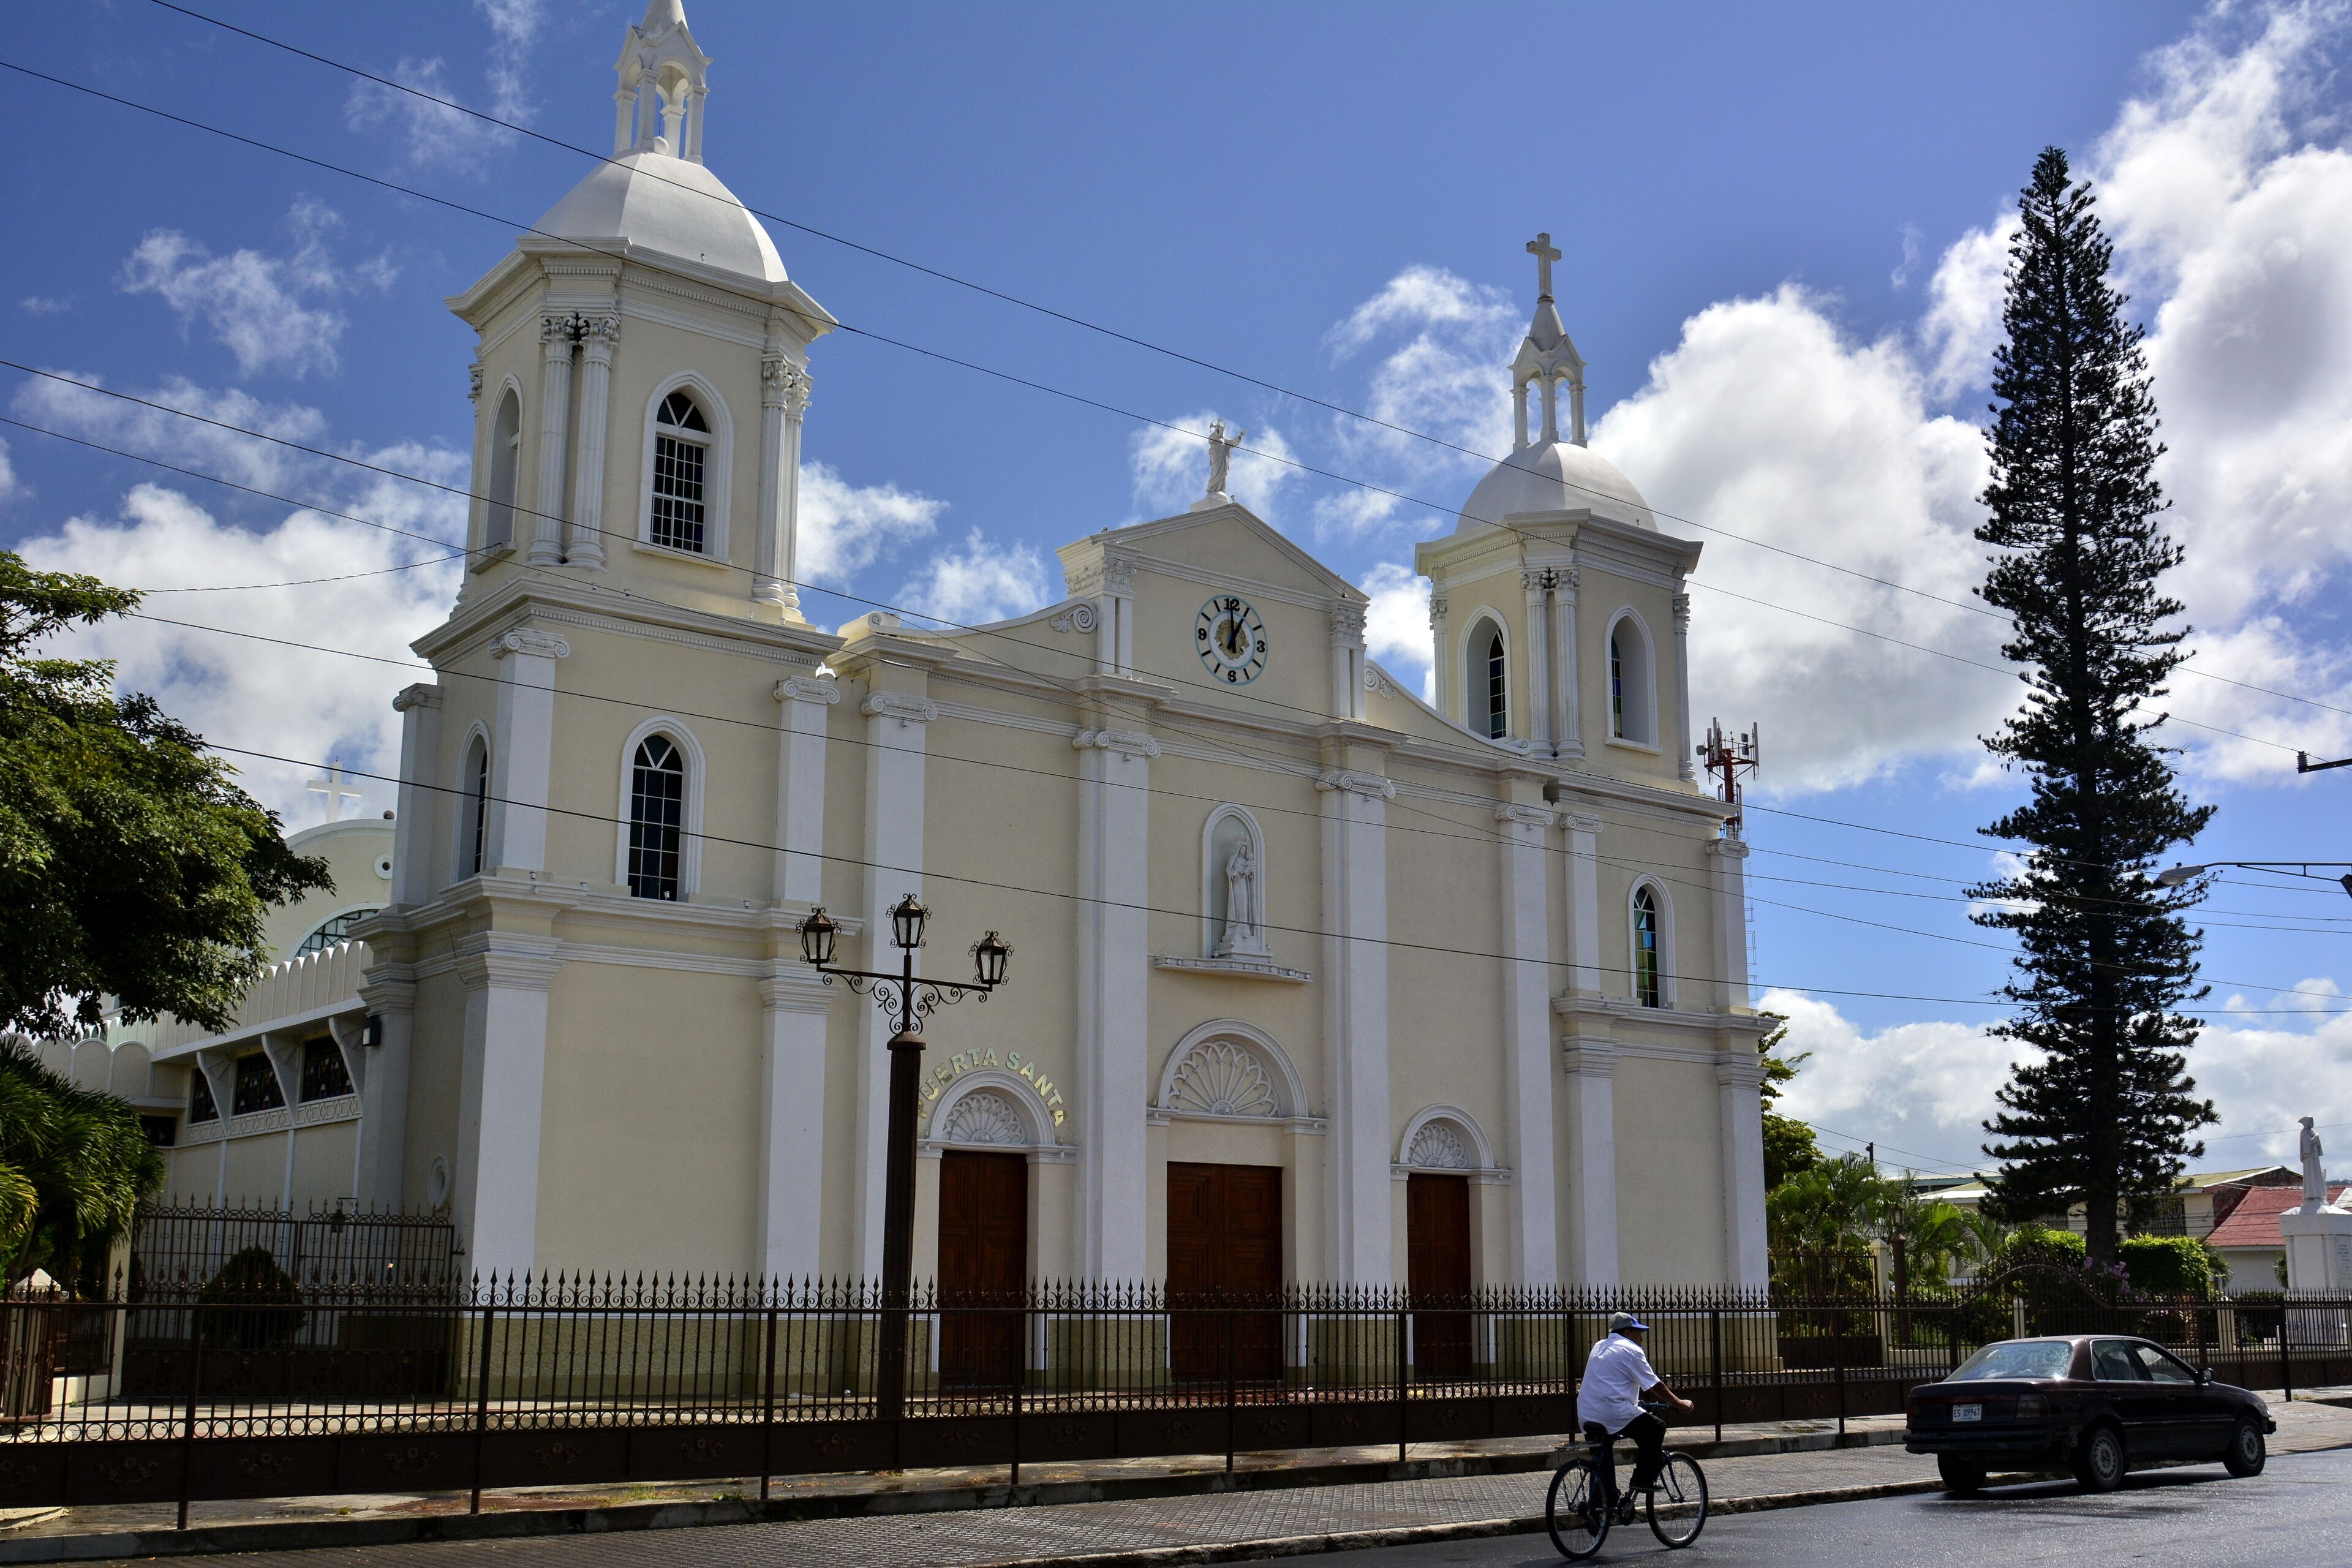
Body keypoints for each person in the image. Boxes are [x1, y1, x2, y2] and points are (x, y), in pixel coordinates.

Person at [1575, 1311, 1694, 1520]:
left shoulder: (1599, 1346)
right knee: (1656, 1427)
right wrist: (1678, 1403)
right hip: (1612, 1413)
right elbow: (1655, 1385)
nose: (1641, 1338)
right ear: (1628, 1332)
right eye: (1639, 1332)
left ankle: (1600, 1506)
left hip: (1587, 1413)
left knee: (1602, 1456)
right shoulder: (1631, 1350)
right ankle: (1643, 1479)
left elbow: (1609, 1381)